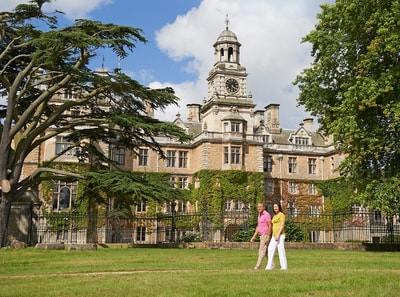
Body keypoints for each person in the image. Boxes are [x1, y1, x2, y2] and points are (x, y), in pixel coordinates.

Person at [266, 203, 287, 270]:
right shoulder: (274, 216)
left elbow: (282, 225)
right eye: (274, 207)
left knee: (281, 250)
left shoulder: (281, 215)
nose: (275, 208)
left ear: (279, 207)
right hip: (274, 236)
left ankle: (284, 267)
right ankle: (269, 266)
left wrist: (278, 234)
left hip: (280, 235)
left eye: (276, 207)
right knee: (270, 249)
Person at [250, 203, 271, 270]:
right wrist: (254, 236)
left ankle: (257, 266)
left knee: (261, 251)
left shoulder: (266, 214)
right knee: (266, 253)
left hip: (265, 234)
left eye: (260, 207)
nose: (258, 208)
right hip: (261, 235)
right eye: (258, 207)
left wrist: (268, 236)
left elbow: (270, 225)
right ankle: (272, 265)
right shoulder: (259, 215)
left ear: (263, 207)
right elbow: (258, 227)